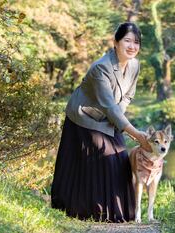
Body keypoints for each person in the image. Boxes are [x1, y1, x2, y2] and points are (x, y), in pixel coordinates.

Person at [50, 22, 151, 223]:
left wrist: (117, 121)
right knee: (107, 154)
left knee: (120, 155)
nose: (132, 46)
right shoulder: (101, 68)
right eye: (127, 41)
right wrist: (136, 134)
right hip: (84, 117)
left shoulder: (135, 65)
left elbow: (128, 96)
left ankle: (121, 211)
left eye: (136, 42)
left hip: (110, 117)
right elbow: (109, 106)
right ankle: (88, 209)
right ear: (115, 42)